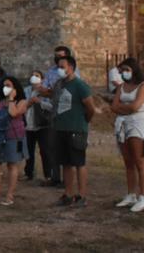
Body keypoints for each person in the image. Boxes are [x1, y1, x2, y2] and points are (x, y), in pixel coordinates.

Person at [52, 55, 96, 207]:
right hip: (61, 128)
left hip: (76, 129)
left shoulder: (80, 85)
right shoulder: (60, 84)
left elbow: (90, 107)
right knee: (66, 163)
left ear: (71, 67)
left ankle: (82, 195)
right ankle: (68, 193)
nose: (60, 70)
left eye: (63, 66)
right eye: (59, 67)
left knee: (79, 162)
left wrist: (84, 121)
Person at [111, 61, 144, 212]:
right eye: (122, 70)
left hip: (137, 122)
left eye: (127, 70)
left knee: (139, 160)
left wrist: (124, 108)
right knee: (128, 161)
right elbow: (114, 106)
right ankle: (131, 194)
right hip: (123, 123)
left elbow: (136, 106)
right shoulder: (121, 87)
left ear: (134, 70)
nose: (124, 73)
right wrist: (126, 108)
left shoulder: (143, 86)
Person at [0, 76, 29, 205]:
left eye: (9, 85)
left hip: (14, 137)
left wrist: (11, 100)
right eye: (4, 85)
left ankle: (10, 195)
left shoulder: (21, 101)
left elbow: (13, 113)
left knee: (12, 164)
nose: (6, 87)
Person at [37, 46, 71, 187]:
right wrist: (50, 91)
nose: (57, 58)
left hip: (67, 114)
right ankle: (55, 176)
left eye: (60, 56)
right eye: (56, 56)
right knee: (52, 145)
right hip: (53, 112)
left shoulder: (73, 72)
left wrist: (51, 91)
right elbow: (43, 89)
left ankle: (67, 179)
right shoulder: (51, 71)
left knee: (66, 147)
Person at [23, 70, 52, 183]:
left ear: (42, 79)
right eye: (32, 75)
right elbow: (22, 104)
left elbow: (52, 106)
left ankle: (48, 174)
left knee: (45, 150)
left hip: (42, 125)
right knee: (28, 150)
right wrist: (30, 102)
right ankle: (29, 173)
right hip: (29, 124)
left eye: (37, 76)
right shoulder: (26, 91)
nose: (34, 78)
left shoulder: (46, 91)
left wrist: (40, 102)